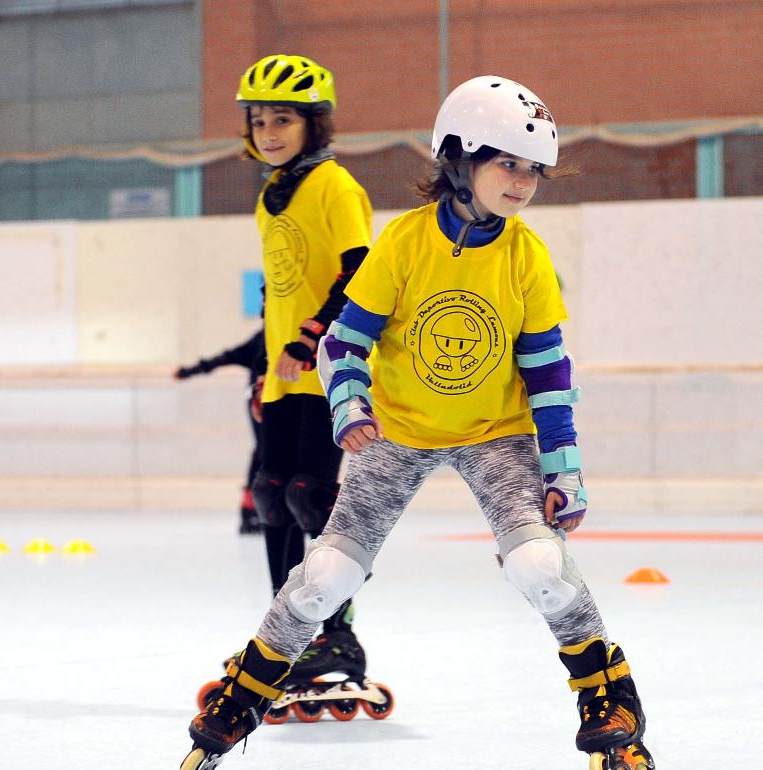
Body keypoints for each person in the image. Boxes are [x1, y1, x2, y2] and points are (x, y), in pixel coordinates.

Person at [182, 76, 654, 770]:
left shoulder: (527, 258)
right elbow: (345, 342)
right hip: (397, 432)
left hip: (497, 432)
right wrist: (348, 405)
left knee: (539, 565)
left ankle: (609, 695)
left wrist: (565, 470)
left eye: (533, 171)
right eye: (507, 164)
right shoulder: (403, 244)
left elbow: (550, 377)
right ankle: (247, 692)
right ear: (459, 160)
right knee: (327, 576)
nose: (522, 183)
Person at [206, 53, 378, 711]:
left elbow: (358, 273)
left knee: (313, 498)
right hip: (283, 374)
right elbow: (279, 290)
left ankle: (337, 635)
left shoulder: (333, 186)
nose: (270, 131)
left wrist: (310, 339)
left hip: (328, 364)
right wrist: (269, 367)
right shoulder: (270, 193)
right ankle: (286, 637)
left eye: (284, 119)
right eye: (260, 120)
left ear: (315, 124)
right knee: (273, 497)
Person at [175, 328, 266, 534]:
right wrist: (191, 371)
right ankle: (251, 509)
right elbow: (227, 357)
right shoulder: (265, 336)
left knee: (270, 452)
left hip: (288, 400)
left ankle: (261, 507)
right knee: (264, 450)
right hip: (261, 399)